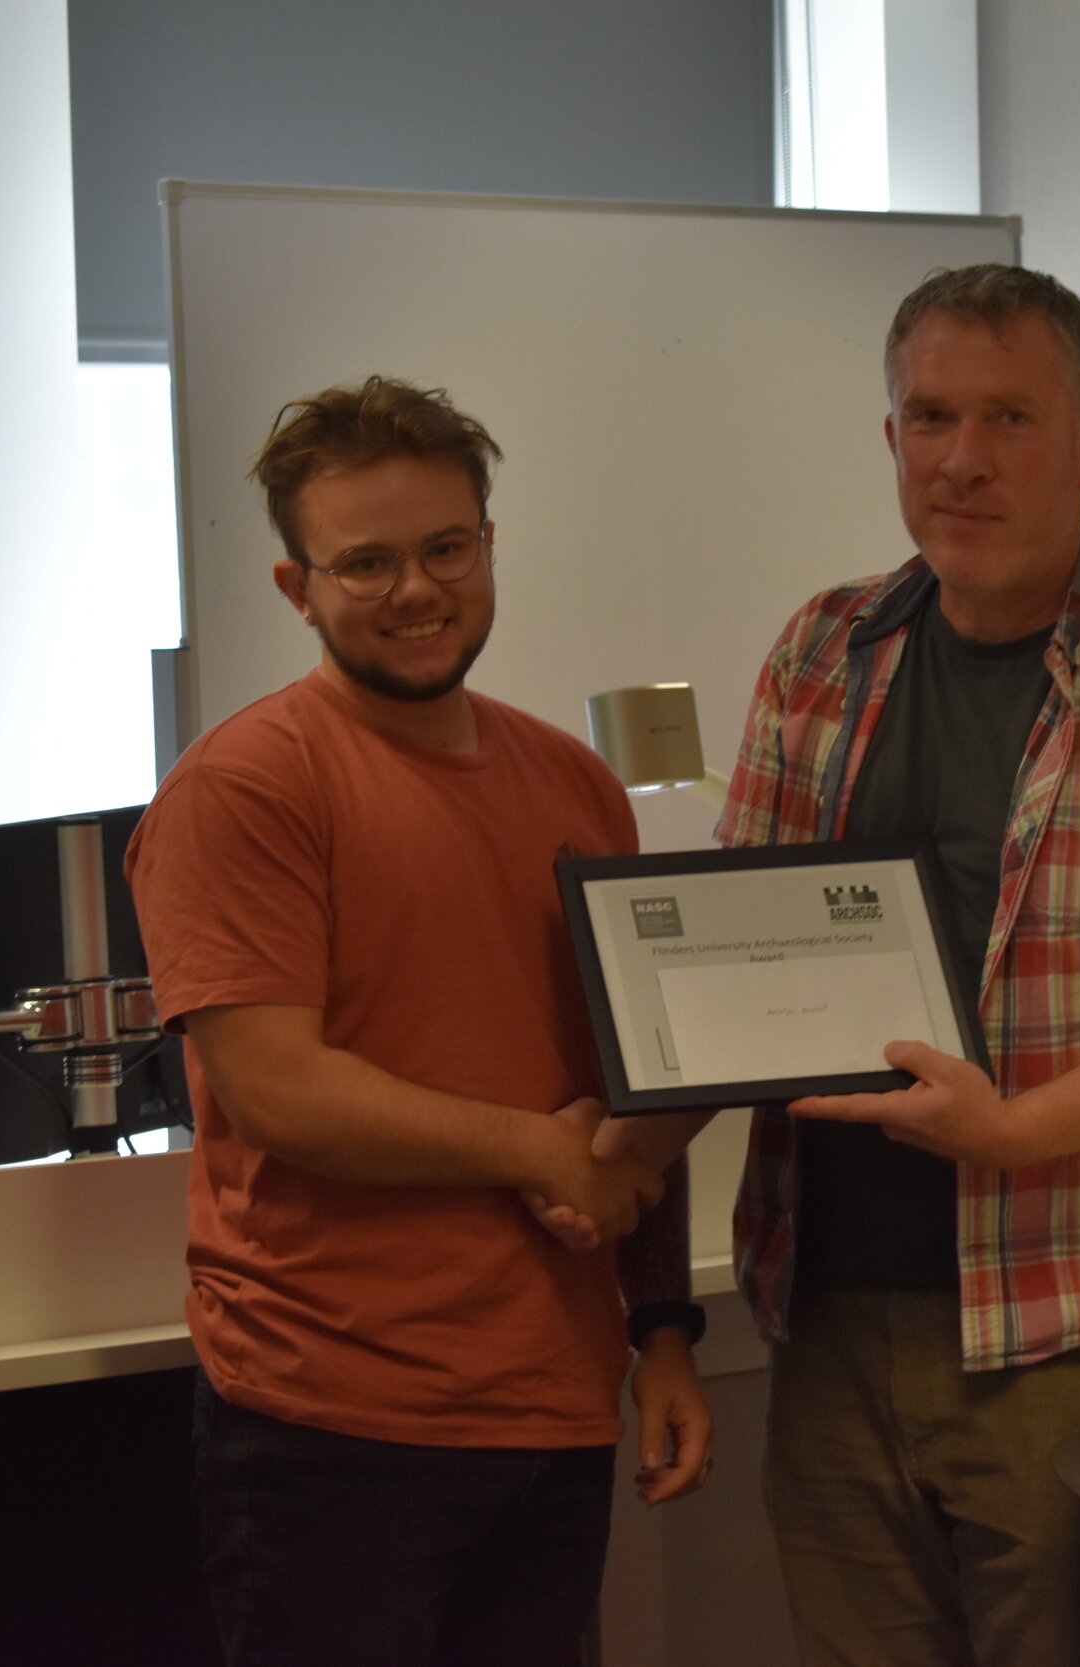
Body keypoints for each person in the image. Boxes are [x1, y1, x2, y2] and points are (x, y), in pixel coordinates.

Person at [597, 265, 1080, 1665]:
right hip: (828, 1313)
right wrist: (613, 1147)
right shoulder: (823, 650)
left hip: (1074, 1326)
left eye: (1009, 420)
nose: (963, 462)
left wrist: (1015, 1134)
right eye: (930, 417)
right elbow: (731, 977)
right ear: (890, 437)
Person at [123, 376, 713, 1667]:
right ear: (297, 588)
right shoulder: (243, 790)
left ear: (490, 546)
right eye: (367, 563)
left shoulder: (576, 785)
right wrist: (536, 1151)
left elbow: (635, 1087)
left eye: (447, 548)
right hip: (331, 1426)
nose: (417, 590)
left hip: (553, 1414)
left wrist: (662, 1332)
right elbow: (278, 1090)